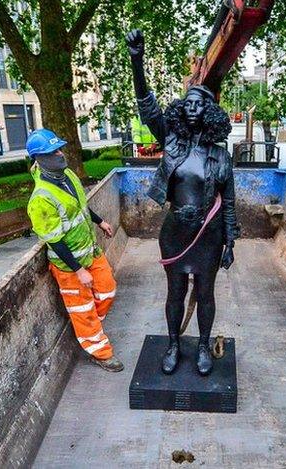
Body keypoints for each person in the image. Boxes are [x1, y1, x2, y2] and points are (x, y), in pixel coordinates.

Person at [125, 28, 239, 376]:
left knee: (206, 293)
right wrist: (137, 60)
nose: (191, 109)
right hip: (175, 230)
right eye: (187, 103)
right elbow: (147, 108)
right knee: (175, 292)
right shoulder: (171, 142)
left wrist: (230, 241)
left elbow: (230, 200)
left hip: (209, 235)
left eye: (198, 104)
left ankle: (203, 345)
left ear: (208, 112)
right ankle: (174, 343)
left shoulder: (221, 156)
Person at [25, 129, 124, 372]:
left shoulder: (67, 175)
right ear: (40, 158)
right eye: (53, 151)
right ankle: (99, 352)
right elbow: (54, 241)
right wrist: (78, 270)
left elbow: (80, 207)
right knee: (82, 310)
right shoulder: (41, 199)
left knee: (108, 289)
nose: (60, 153)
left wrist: (100, 221)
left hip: (89, 250)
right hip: (69, 266)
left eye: (59, 148)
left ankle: (88, 329)